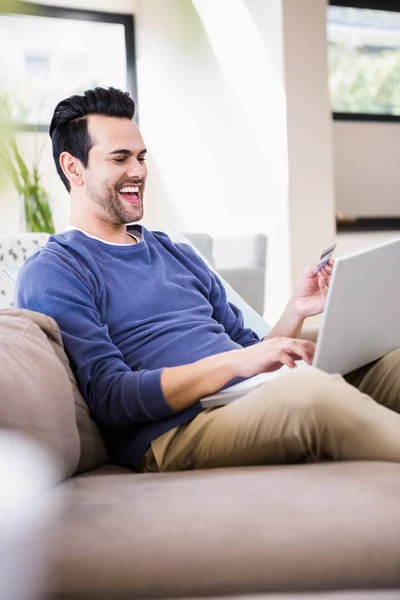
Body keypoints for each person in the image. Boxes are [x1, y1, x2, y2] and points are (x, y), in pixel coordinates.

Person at [16, 87, 400, 473]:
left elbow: (252, 348)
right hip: (176, 429)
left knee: (391, 365)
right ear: (73, 168)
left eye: (141, 157)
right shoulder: (56, 269)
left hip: (247, 394)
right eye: (120, 158)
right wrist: (235, 364)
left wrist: (296, 309)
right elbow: (112, 395)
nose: (138, 171)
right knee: (313, 394)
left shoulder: (174, 250)